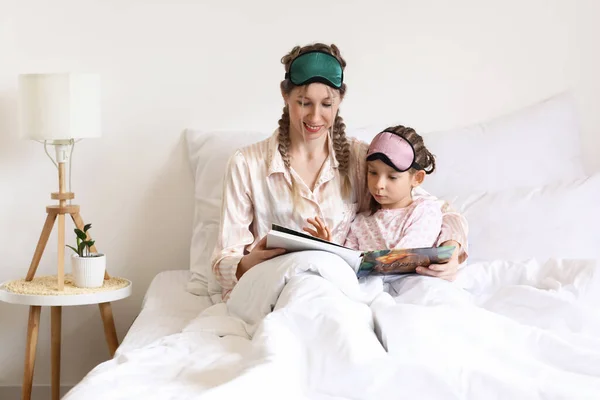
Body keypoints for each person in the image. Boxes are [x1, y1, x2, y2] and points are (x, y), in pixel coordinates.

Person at [211, 43, 468, 300]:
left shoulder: (360, 160)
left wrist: (452, 248)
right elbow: (224, 258)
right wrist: (247, 263)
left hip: (339, 293)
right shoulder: (246, 164)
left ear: (340, 100)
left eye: (326, 104)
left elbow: (438, 209)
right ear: (284, 95)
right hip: (274, 289)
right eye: (304, 103)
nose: (315, 117)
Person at [303, 125, 443, 253]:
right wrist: (328, 246)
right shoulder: (360, 222)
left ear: (417, 178)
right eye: (373, 173)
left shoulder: (424, 211)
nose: (378, 184)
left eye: (392, 177)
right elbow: (348, 263)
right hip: (367, 280)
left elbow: (406, 256)